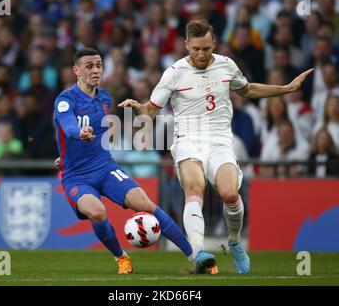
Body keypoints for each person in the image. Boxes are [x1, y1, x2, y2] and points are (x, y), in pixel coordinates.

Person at [118, 19, 314, 274]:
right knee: (194, 191)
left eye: (206, 48)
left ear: (214, 44)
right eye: (196, 48)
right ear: (187, 44)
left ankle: (234, 241)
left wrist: (286, 88)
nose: (201, 54)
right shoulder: (174, 73)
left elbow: (247, 90)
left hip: (220, 140)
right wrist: (139, 108)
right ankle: (198, 252)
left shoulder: (226, 65)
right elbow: (151, 111)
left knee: (231, 194)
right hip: (188, 140)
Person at [53, 48, 194, 275]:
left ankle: (195, 255)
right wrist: (78, 135)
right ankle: (122, 258)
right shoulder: (65, 100)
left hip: (105, 167)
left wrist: (69, 151)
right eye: (89, 66)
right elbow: (68, 127)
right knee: (97, 212)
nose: (96, 69)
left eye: (99, 64)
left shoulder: (105, 99)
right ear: (76, 71)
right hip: (76, 176)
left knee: (146, 204)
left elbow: (99, 135)